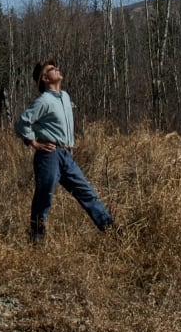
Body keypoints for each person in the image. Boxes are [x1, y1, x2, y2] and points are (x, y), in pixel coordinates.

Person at [15, 58, 113, 242]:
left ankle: (110, 229)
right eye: (52, 68)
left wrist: (69, 147)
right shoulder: (43, 101)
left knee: (86, 191)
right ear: (45, 78)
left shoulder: (65, 97)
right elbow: (21, 123)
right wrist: (34, 143)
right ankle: (37, 238)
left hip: (67, 155)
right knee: (45, 195)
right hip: (49, 155)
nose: (57, 69)